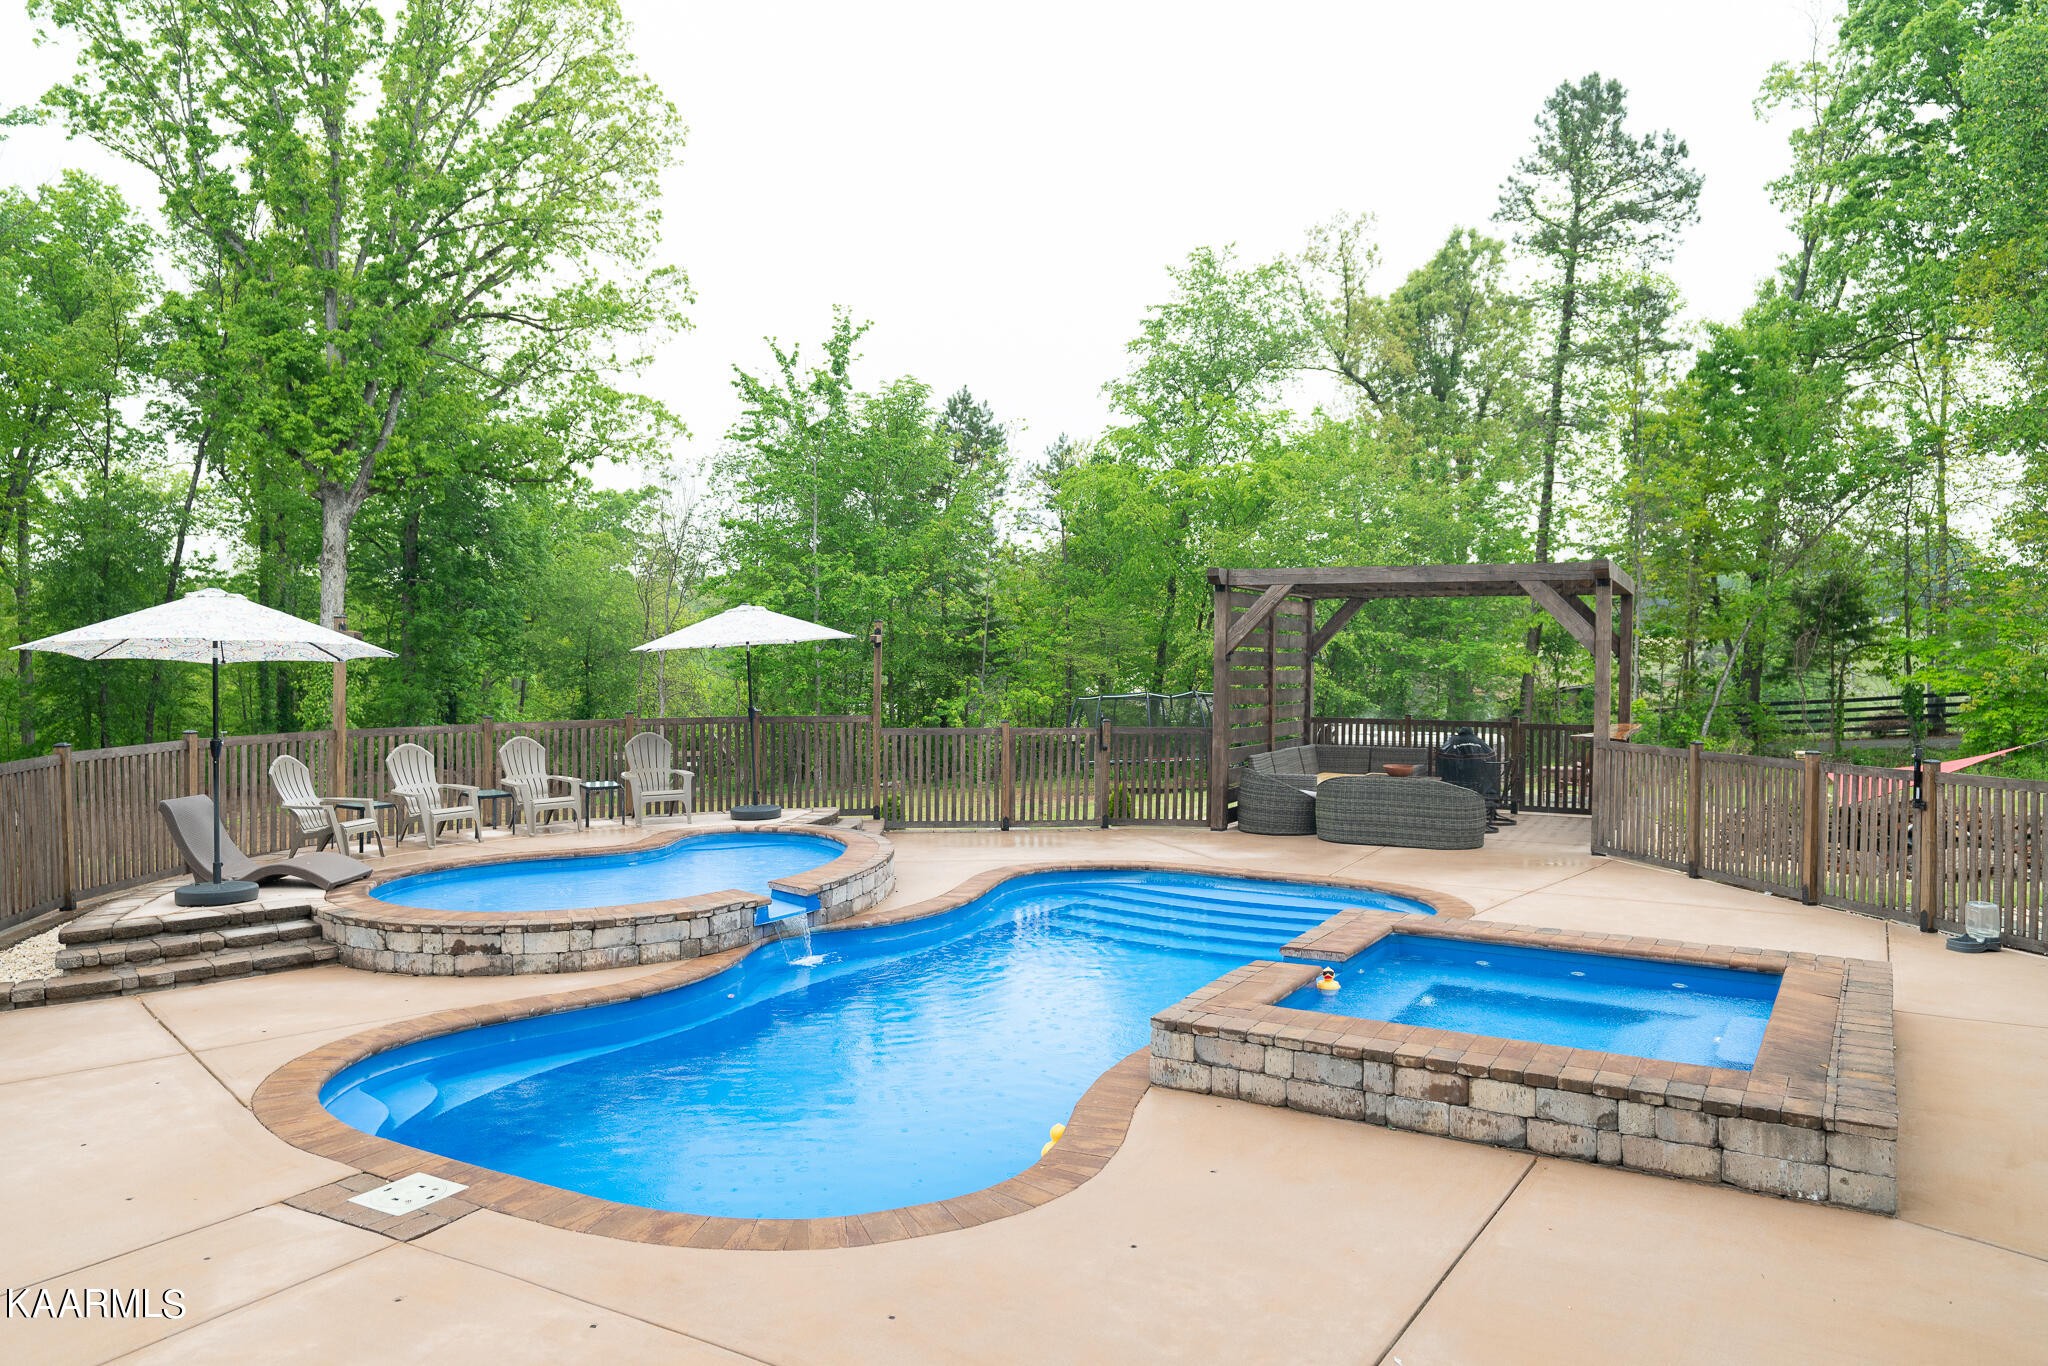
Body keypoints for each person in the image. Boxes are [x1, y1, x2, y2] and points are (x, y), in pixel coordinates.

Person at [1439, 727, 1513, 827]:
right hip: (1481, 790)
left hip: (1458, 788)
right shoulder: (1480, 743)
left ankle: (1457, 815)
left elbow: (1443, 758)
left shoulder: (1453, 742)